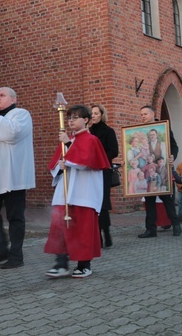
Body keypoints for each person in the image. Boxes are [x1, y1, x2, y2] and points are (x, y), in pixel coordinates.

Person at [44, 105, 110, 279]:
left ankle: (84, 265)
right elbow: (56, 164)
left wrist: (67, 144)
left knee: (83, 229)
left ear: (86, 120)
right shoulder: (68, 141)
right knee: (60, 225)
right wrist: (59, 165)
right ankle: (61, 264)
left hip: (83, 192)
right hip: (65, 192)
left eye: (75, 117)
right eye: (69, 118)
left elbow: (85, 160)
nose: (71, 121)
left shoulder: (91, 140)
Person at [0, 87, 35, 269]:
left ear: (13, 99)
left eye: (2, 96)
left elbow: (13, 133)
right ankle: (1, 248)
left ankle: (16, 256)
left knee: (15, 216)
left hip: (13, 177)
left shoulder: (21, 114)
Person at [137, 106, 181, 238]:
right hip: (149, 171)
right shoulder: (141, 132)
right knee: (149, 200)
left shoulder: (164, 127)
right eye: (141, 114)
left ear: (152, 114)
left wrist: (172, 156)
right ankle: (151, 229)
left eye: (145, 114)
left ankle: (176, 224)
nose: (143, 116)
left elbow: (174, 146)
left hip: (163, 169)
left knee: (166, 198)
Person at [88, 104, 119, 249]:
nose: (93, 115)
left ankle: (106, 232)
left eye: (96, 113)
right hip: (90, 171)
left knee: (103, 203)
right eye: (91, 113)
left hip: (103, 171)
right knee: (93, 203)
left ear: (102, 115)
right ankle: (97, 235)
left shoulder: (108, 131)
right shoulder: (87, 132)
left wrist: (100, 160)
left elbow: (114, 151)